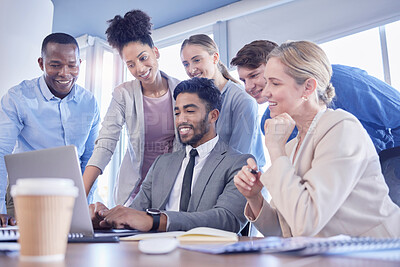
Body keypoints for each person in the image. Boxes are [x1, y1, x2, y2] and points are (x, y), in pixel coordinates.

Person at [234, 41, 400, 238]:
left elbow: (306, 222)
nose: (264, 90)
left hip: (374, 254)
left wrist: (275, 149)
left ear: (308, 87)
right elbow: (286, 230)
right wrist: (254, 197)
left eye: (275, 82)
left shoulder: (342, 125)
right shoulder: (288, 141)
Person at [90, 78, 250, 233]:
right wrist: (107, 220)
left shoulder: (238, 164)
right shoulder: (162, 163)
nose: (181, 120)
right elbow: (134, 214)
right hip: (155, 253)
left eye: (189, 111)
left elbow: (228, 220)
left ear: (213, 116)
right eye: (177, 113)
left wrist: (158, 221)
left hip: (205, 257)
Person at [0, 33, 100, 225]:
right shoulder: (17, 98)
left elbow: (90, 158)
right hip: (26, 193)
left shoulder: (89, 102)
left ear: (80, 63)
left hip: (72, 194)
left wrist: (85, 204)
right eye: (55, 65)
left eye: (72, 65)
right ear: (41, 63)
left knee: (77, 249)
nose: (65, 73)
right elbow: (1, 152)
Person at [83, 10, 181, 206]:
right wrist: (80, 195)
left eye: (143, 58)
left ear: (156, 52)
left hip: (173, 188)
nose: (140, 69)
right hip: (135, 191)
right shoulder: (123, 94)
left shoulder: (181, 90)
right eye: (131, 65)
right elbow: (105, 143)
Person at [231, 40, 400, 153]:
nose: (248, 87)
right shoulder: (271, 122)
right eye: (243, 80)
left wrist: (391, 170)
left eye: (254, 76)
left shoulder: (341, 80)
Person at [180, 34, 265, 169]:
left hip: (238, 184)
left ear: (215, 57)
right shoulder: (195, 102)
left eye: (197, 60)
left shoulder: (242, 100)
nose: (191, 69)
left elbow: (239, 159)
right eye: (186, 64)